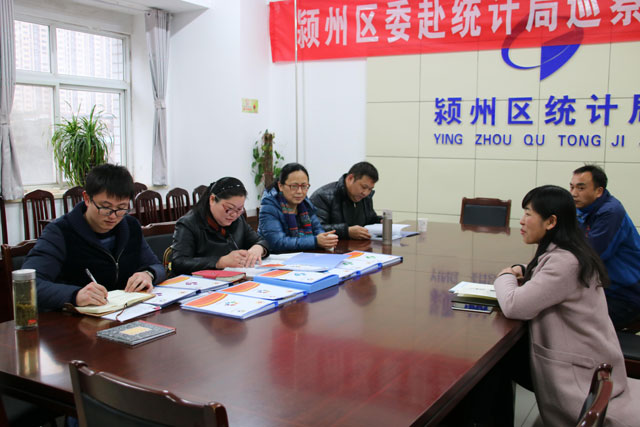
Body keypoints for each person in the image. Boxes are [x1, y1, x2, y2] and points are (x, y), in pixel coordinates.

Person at [494, 185, 639, 426]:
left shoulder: (565, 262)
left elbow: (513, 305)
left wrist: (506, 275)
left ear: (551, 222)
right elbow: (548, 279)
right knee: (501, 363)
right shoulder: (570, 251)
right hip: (587, 360)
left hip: (578, 375)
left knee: (495, 367)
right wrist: (523, 269)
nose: (522, 221)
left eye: (528, 213)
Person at [23, 164, 165, 311]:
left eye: (121, 208)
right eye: (105, 207)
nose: (113, 216)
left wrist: (148, 274)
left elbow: (157, 266)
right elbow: (29, 285)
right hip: (77, 319)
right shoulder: (60, 232)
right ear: (87, 198)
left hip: (125, 313)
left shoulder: (130, 226)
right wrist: (75, 295)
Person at [570, 164, 640, 329]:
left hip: (624, 295)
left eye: (581, 188)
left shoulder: (610, 212)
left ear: (599, 191)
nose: (573, 193)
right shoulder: (583, 209)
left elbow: (590, 257)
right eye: (572, 187)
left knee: (568, 322)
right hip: (600, 290)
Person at [170, 178, 269, 274]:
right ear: (212, 199)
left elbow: (260, 241)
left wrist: (259, 248)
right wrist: (219, 262)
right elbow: (179, 263)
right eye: (229, 208)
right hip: (201, 281)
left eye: (239, 209)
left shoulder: (238, 221)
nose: (234, 214)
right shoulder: (188, 223)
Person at [258, 162, 338, 253]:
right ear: (280, 186)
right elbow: (277, 243)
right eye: (294, 186)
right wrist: (315, 241)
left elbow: (318, 229)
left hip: (304, 255)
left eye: (304, 186)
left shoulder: (305, 204)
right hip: (277, 257)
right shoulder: (269, 206)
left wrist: (325, 239)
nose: (299, 191)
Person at [310, 161, 382, 240]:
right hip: (333, 246)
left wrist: (380, 221)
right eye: (364, 187)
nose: (366, 193)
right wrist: (346, 231)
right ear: (350, 178)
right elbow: (315, 228)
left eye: (370, 189)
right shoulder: (323, 196)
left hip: (359, 245)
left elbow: (369, 219)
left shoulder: (365, 197)